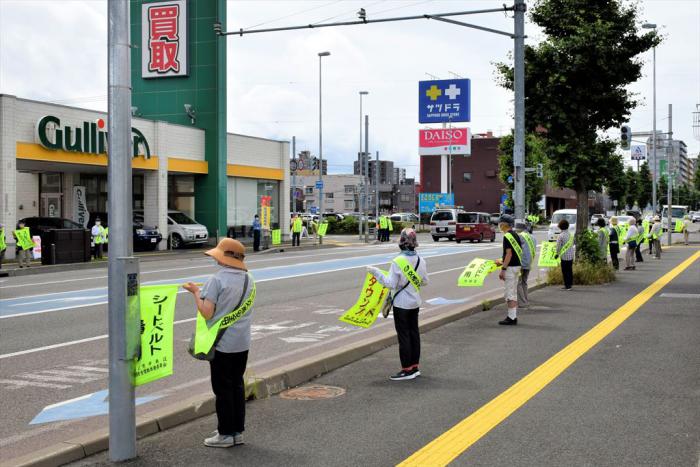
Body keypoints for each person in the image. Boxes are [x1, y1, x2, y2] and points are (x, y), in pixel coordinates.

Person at [183, 238, 255, 448]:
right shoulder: (248, 279)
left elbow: (207, 312)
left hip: (222, 343)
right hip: (242, 342)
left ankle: (225, 435)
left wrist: (196, 293)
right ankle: (236, 431)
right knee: (236, 385)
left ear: (222, 257)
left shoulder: (216, 280)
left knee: (222, 389)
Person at [367, 228, 428, 380]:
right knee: (414, 334)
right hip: (415, 302)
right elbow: (425, 281)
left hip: (401, 304)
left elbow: (390, 283)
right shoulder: (421, 260)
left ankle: (406, 370)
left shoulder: (398, 261)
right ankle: (415, 367)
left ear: (402, 242)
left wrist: (375, 272)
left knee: (404, 336)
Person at [495, 214, 522, 325]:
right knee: (513, 293)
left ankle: (511, 318)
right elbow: (514, 254)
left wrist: (503, 268)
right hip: (517, 266)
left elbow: (509, 254)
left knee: (509, 294)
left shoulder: (507, 236)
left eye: (500, 223)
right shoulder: (515, 235)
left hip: (510, 268)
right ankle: (513, 316)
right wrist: (502, 261)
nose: (499, 225)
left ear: (505, 224)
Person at [515, 221, 535, 308]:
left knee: (518, 283)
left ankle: (522, 302)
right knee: (524, 282)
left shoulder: (520, 236)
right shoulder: (532, 237)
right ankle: (526, 299)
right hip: (529, 263)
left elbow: (516, 249)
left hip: (521, 263)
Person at [554, 219, 574, 290]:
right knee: (570, 270)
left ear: (560, 227)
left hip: (564, 256)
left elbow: (558, 246)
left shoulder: (560, 235)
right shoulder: (570, 234)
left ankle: (567, 285)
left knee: (565, 271)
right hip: (571, 255)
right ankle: (570, 284)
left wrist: (557, 254)